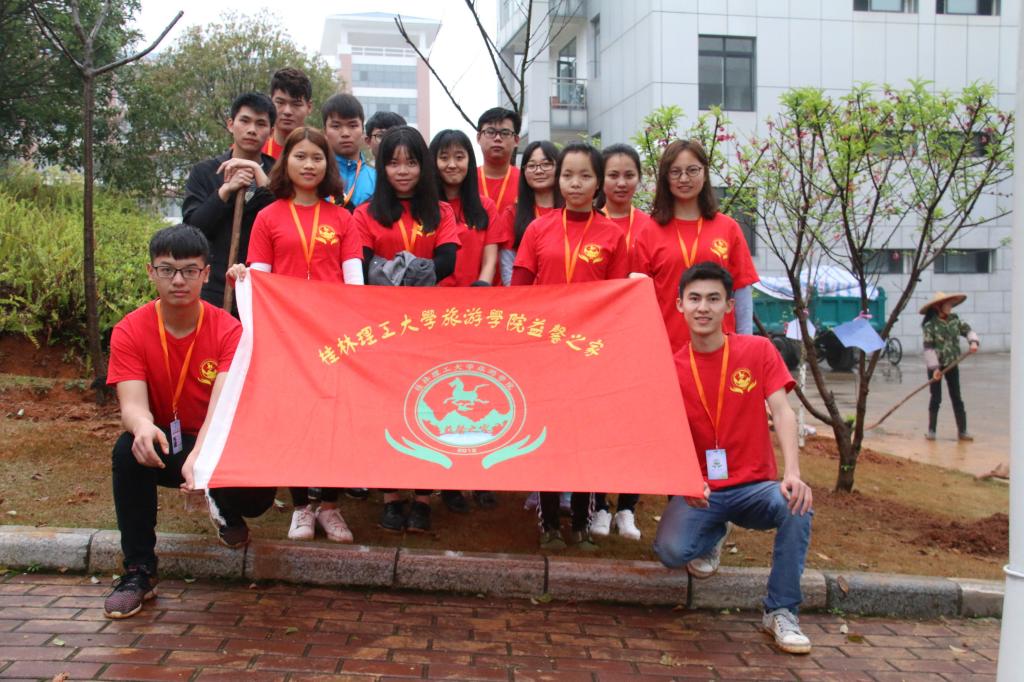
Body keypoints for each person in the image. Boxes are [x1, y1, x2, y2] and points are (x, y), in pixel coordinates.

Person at [104, 225, 276, 619]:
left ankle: (223, 501)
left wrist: (203, 457)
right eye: (167, 270)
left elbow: (223, 405)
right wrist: (143, 427)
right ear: (151, 272)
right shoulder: (130, 330)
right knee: (128, 451)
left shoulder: (229, 330)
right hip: (169, 442)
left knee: (260, 498)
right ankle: (139, 571)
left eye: (189, 270)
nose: (178, 280)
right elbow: (132, 405)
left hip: (219, 442)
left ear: (206, 274)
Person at [653, 262, 813, 655]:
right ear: (679, 305)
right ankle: (713, 533)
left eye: (713, 299)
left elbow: (783, 411)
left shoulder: (757, 350)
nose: (703, 307)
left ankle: (781, 611)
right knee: (671, 551)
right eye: (694, 299)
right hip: (703, 493)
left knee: (797, 505)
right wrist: (684, 482)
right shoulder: (670, 368)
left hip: (756, 486)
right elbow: (663, 438)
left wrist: (792, 473)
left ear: (728, 306)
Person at [230, 126, 364, 543]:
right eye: (300, 156)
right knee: (294, 418)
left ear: (328, 166)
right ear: (285, 162)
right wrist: (243, 278)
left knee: (334, 418)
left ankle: (331, 507)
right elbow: (262, 280)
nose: (309, 165)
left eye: (317, 158)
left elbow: (355, 282)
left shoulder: (344, 218)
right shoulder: (268, 217)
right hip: (286, 338)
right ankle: (302, 507)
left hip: (334, 337)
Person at [512, 141, 628, 550]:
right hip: (544, 354)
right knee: (549, 437)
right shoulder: (538, 229)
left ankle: (581, 522)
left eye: (585, 176)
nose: (575, 183)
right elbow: (519, 292)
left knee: (587, 440)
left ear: (599, 184)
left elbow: (617, 300)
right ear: (558, 180)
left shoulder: (613, 234)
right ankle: (548, 525)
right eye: (567, 175)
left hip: (589, 355)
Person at [353, 125, 461, 533]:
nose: (403, 171)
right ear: (382, 166)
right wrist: (408, 272)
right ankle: (391, 497)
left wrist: (399, 270)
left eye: (412, 162)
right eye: (394, 163)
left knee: (428, 408)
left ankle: (423, 497)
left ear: (424, 166)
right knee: (386, 410)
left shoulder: (441, 212)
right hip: (382, 329)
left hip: (429, 329)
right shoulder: (365, 213)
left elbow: (448, 261)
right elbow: (362, 265)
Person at [588, 143, 659, 540]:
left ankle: (628, 507)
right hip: (595, 340)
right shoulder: (589, 222)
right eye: (612, 175)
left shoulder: (651, 226)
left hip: (638, 339)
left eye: (629, 175)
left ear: (639, 179)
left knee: (636, 424)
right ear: (601, 180)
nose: (620, 182)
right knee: (600, 425)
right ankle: (599, 506)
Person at [429, 129, 502, 512]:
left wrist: (483, 285)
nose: (451, 164)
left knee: (480, 395)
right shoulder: (425, 207)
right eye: (444, 157)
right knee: (445, 397)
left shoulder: (485, 206)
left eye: (459, 156)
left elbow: (491, 255)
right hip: (435, 315)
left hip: (476, 312)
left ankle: (483, 476)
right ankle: (450, 482)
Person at [632, 139, 758, 351]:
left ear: (705, 173)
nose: (684, 179)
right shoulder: (648, 231)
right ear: (665, 177)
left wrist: (746, 345)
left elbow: (742, 292)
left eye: (692, 170)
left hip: (721, 349)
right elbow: (640, 303)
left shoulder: (728, 228)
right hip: (668, 350)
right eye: (675, 172)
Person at [182, 92, 277, 308]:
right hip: (214, 285)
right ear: (231, 124)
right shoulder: (205, 172)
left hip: (264, 287)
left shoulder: (280, 172)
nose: (252, 129)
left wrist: (260, 177)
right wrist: (225, 191)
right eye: (245, 121)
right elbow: (193, 228)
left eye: (261, 124)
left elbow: (284, 219)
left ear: (271, 132)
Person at [496, 140, 561, 285]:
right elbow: (507, 266)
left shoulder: (571, 211)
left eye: (546, 164)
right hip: (526, 294)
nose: (539, 171)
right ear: (524, 171)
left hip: (565, 292)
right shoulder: (512, 214)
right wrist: (518, 295)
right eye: (531, 166)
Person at [920, 291, 980, 441]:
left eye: (950, 304)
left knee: (956, 397)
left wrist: (973, 342)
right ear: (938, 307)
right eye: (947, 304)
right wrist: (935, 369)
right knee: (936, 398)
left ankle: (962, 431)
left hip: (952, 364)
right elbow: (928, 349)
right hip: (936, 367)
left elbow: (968, 331)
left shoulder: (955, 320)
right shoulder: (930, 326)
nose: (950, 307)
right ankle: (932, 431)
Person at [322, 93, 376, 212]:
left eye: (352, 125)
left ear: (362, 130)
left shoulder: (379, 180)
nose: (345, 133)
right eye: (336, 126)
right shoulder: (314, 175)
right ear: (325, 131)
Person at [476, 107, 521, 218]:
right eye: (490, 132)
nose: (497, 138)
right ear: (478, 138)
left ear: (516, 140)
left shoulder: (526, 181)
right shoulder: (466, 180)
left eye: (505, 133)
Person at [262, 68, 313, 160]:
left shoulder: (320, 153)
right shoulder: (254, 150)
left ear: (309, 107)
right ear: (270, 102)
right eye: (280, 102)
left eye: (296, 104)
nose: (287, 111)